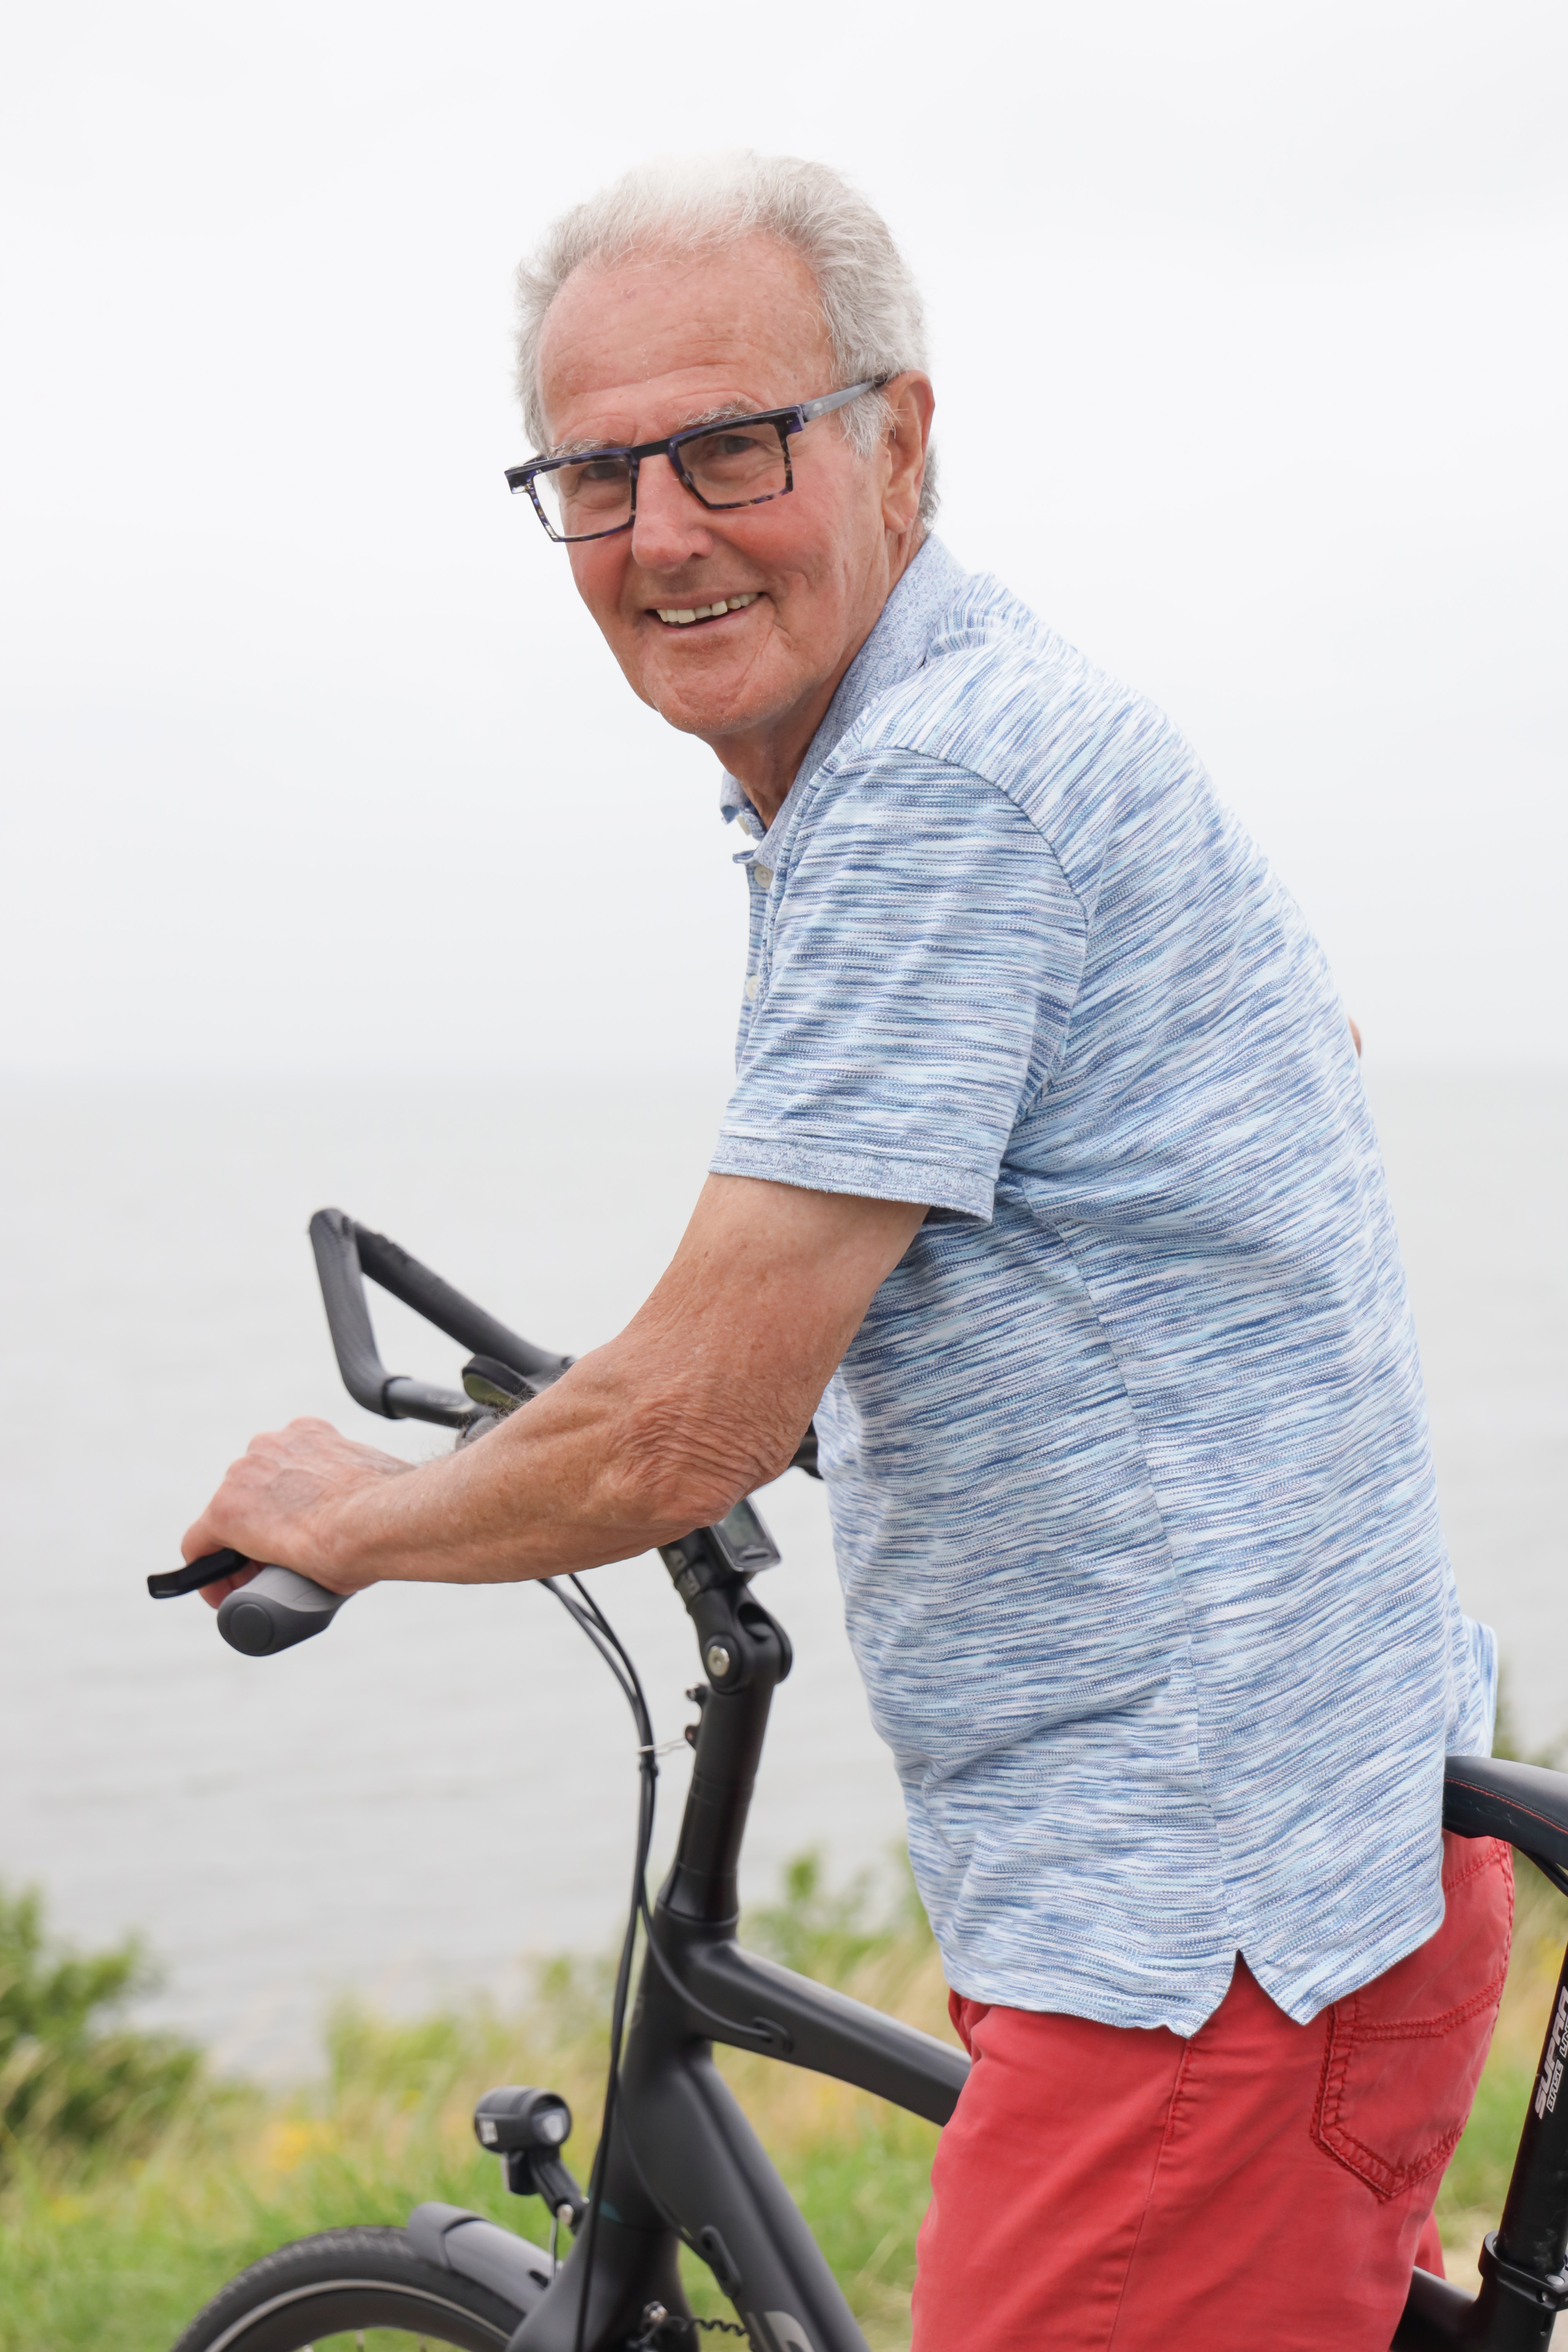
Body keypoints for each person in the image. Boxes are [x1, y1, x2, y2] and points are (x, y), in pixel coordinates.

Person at [183, 154, 1510, 2350]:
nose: (662, 532)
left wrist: (365, 1515)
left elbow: (692, 1424)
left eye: (731, 446)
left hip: (1197, 1936)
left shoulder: (933, 789)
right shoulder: (970, 713)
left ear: (900, 440)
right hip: (1287, 1844)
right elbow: (1251, 1063)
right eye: (596, 476)